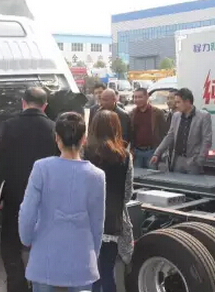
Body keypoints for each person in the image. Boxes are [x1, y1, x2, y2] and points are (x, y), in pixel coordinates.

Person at [19, 112, 106, 292]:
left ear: (57, 138)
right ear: (84, 139)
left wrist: (26, 238)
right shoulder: (97, 175)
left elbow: (28, 210)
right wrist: (93, 253)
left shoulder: (41, 168)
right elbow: (97, 222)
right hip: (81, 258)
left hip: (45, 255)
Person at [0, 87, 59, 292]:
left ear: (23, 102)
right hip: (45, 194)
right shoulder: (53, 128)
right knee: (42, 239)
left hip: (15, 192)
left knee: (10, 242)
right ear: (45, 105)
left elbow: (0, 162)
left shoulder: (9, 126)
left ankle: (17, 283)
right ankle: (40, 283)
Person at [84, 110, 133, 292]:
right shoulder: (125, 156)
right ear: (116, 128)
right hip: (112, 221)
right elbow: (127, 193)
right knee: (107, 271)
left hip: (87, 220)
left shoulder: (84, 153)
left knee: (90, 274)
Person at [151, 88, 212, 174]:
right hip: (178, 160)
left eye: (178, 102)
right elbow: (170, 136)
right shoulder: (176, 116)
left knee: (192, 182)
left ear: (187, 101)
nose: (176, 105)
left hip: (193, 160)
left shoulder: (203, 116)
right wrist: (157, 153)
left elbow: (207, 140)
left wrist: (200, 160)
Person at [129, 88, 168, 169]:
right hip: (137, 152)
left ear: (147, 97)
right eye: (135, 97)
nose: (137, 100)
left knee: (151, 174)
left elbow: (164, 133)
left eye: (140, 97)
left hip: (152, 151)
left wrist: (159, 152)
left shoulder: (157, 113)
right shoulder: (132, 114)